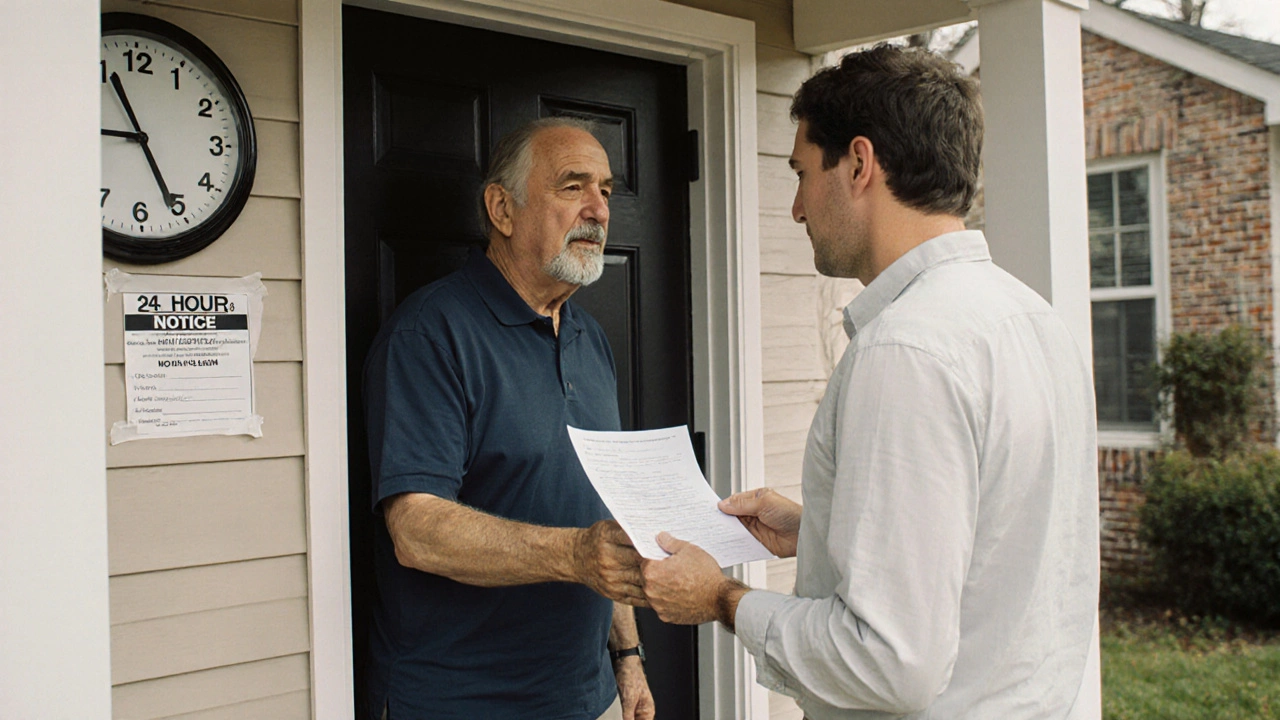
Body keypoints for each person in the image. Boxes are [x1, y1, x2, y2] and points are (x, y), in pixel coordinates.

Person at [641, 44, 1099, 719]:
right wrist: (819, 527)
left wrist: (722, 600)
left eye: (801, 173)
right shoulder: (1032, 319)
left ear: (858, 163)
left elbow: (888, 663)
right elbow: (996, 539)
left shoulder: (906, 350)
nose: (796, 209)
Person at [363, 117, 654, 720]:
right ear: (502, 208)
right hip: (462, 703)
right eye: (573, 187)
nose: (599, 210)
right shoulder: (432, 335)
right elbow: (415, 530)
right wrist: (573, 555)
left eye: (605, 189)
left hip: (588, 697)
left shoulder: (588, 338)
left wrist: (626, 657)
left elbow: (604, 513)